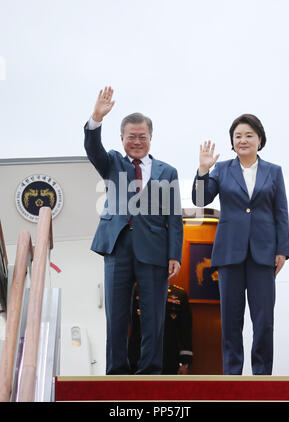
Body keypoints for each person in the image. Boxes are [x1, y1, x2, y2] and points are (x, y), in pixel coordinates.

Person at [84, 87, 183, 375]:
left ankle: (150, 371)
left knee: (154, 315)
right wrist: (96, 119)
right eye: (131, 137)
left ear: (151, 138)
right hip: (117, 245)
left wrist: (174, 253)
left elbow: (174, 217)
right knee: (117, 314)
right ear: (122, 138)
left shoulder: (168, 171)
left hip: (154, 249)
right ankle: (116, 371)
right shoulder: (112, 162)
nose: (137, 142)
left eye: (142, 136)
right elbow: (93, 149)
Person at [192, 114, 289, 375]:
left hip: (263, 254)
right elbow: (201, 200)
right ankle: (232, 377)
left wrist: (282, 250)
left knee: (264, 321)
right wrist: (203, 171)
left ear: (260, 139)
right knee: (230, 322)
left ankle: (262, 377)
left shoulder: (274, 171)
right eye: (238, 136)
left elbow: (281, 212)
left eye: (249, 135)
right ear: (232, 142)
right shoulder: (222, 169)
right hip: (229, 254)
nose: (243, 140)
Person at [128, 283, 193, 375]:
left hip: (169, 356)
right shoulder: (135, 291)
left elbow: (185, 330)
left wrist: (185, 363)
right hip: (138, 356)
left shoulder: (179, 294)